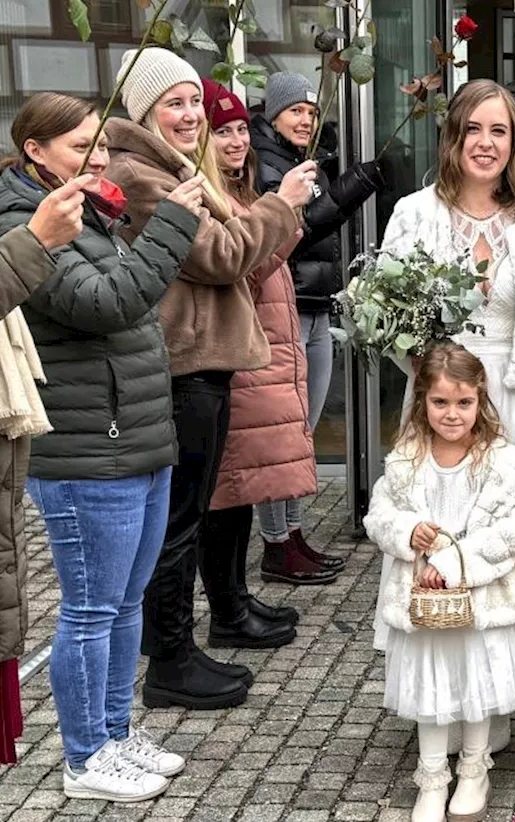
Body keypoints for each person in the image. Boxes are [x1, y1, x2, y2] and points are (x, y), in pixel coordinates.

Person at [0, 92, 204, 801]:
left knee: (126, 602)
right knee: (90, 608)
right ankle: (85, 757)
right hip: (87, 446)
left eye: (102, 143)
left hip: (135, 433)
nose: (101, 157)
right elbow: (106, 303)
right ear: (36, 152)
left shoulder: (85, 206)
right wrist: (173, 223)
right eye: (83, 145)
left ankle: (116, 730)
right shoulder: (26, 218)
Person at [103, 47, 317, 710]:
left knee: (191, 513)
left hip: (204, 360)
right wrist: (281, 204)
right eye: (177, 103)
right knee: (177, 521)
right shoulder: (143, 176)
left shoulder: (172, 168)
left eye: (195, 101)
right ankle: (170, 659)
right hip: (183, 364)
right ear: (143, 110)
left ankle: (186, 641)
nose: (192, 114)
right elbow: (222, 257)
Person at [363, 343, 515, 822]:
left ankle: (475, 769)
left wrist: (456, 564)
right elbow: (379, 515)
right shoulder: (406, 459)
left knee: (477, 683)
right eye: (440, 403)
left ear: (481, 401)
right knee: (430, 687)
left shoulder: (502, 461)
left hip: (480, 599)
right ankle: (433, 777)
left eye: (463, 403)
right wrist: (406, 533)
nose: (452, 414)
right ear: (422, 402)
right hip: (424, 601)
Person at [251, 71, 389, 583]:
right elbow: (292, 234)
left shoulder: (299, 161)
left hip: (313, 305)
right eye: (295, 111)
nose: (306, 119)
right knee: (281, 436)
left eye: (311, 112)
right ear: (273, 114)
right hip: (282, 308)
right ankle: (276, 543)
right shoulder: (267, 165)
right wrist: (349, 191)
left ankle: (292, 535)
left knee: (301, 432)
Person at [381, 78, 515, 445]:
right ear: (453, 138)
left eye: (499, 131)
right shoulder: (413, 213)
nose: (486, 143)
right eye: (472, 129)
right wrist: (423, 368)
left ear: (514, 142)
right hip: (441, 397)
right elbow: (386, 314)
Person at [198, 77, 312, 643]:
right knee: (226, 492)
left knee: (239, 490)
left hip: (252, 349)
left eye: (243, 128)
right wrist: (282, 214)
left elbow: (257, 263)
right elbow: (240, 274)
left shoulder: (237, 195)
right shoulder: (209, 199)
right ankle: (227, 611)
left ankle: (237, 600)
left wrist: (283, 226)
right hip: (235, 355)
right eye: (223, 131)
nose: (238, 141)